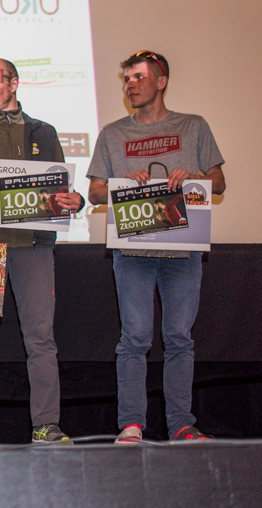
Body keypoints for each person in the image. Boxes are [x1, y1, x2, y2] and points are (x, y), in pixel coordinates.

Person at [87, 50, 225, 443]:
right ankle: (131, 424)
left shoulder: (193, 126)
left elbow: (219, 182)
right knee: (135, 338)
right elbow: (94, 192)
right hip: (132, 251)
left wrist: (193, 177)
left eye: (138, 77)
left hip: (183, 249)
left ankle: (181, 424)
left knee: (180, 338)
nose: (130, 85)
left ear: (161, 81)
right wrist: (120, 185)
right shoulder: (113, 133)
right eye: (126, 79)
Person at [0, 58, 83, 444]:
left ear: (14, 83)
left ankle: (47, 424)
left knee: (41, 340)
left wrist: (75, 201)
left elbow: (61, 190)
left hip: (33, 248)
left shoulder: (45, 132)